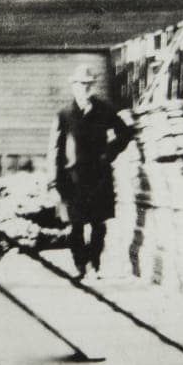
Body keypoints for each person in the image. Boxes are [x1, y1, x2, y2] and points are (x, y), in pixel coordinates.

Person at [48, 65, 134, 281]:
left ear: (92, 86)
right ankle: (79, 266)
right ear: (73, 87)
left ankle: (94, 263)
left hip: (99, 177)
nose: (84, 88)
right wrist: (54, 181)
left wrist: (109, 153)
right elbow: (55, 150)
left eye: (88, 84)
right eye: (80, 84)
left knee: (98, 224)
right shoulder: (64, 115)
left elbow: (125, 133)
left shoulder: (105, 110)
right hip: (73, 179)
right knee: (75, 226)